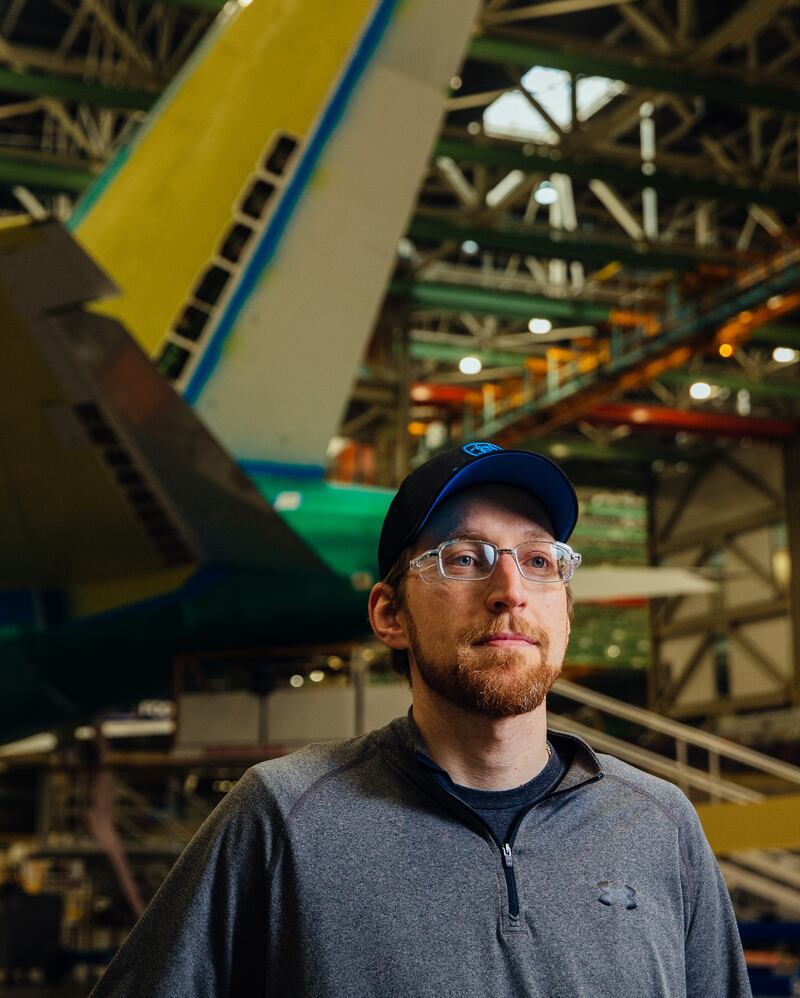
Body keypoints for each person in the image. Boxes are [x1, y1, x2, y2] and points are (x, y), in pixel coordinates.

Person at [90, 442, 752, 997]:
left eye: (540, 561)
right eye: (465, 559)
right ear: (389, 615)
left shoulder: (660, 825)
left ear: (567, 612)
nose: (511, 591)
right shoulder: (282, 817)